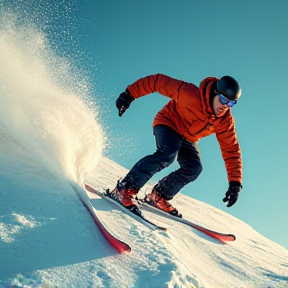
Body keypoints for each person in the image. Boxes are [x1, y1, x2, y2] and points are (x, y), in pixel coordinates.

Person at [113, 74, 242, 217]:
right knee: (167, 154)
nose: (225, 106)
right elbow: (157, 82)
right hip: (168, 123)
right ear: (214, 93)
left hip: (188, 138)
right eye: (223, 100)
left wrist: (235, 183)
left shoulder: (225, 122)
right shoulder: (189, 93)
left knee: (194, 168)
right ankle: (125, 188)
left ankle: (159, 195)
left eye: (231, 103)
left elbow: (231, 150)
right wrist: (129, 94)